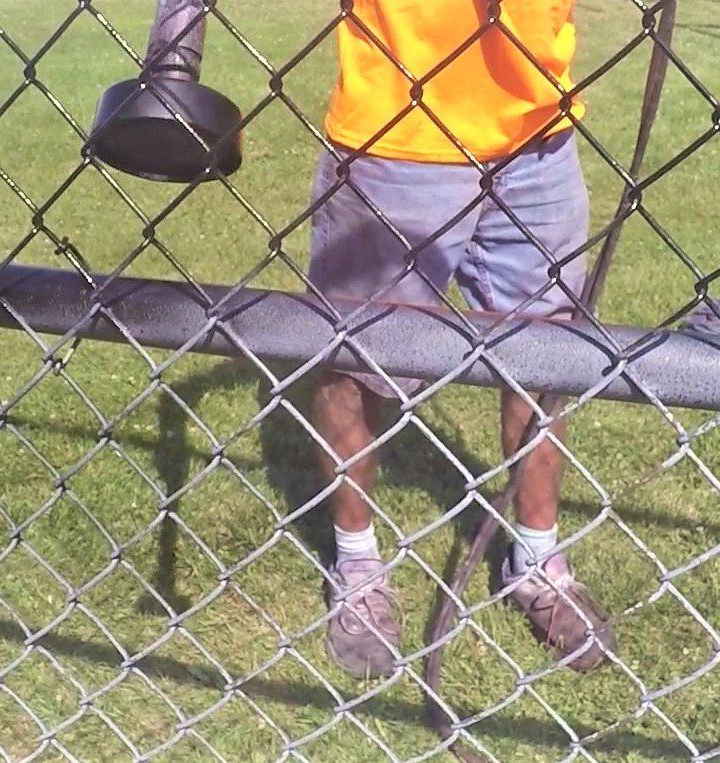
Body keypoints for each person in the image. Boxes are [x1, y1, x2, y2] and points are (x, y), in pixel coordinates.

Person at [310, 0, 617, 679]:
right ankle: (356, 561)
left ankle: (535, 562)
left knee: (543, 359)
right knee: (354, 366)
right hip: (394, 131)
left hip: (536, 131)